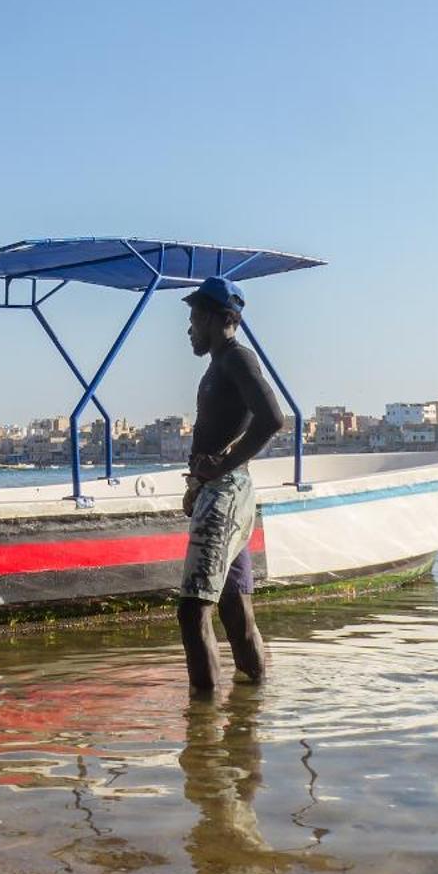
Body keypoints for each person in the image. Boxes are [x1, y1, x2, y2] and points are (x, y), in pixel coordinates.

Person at [178, 275, 285, 692]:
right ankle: (251, 711)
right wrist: (198, 483)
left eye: (194, 317)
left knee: (192, 611)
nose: (189, 328)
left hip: (226, 494)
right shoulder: (219, 365)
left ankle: (202, 732)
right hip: (220, 491)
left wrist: (220, 466)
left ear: (218, 318)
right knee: (234, 609)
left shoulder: (236, 359)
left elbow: (272, 418)